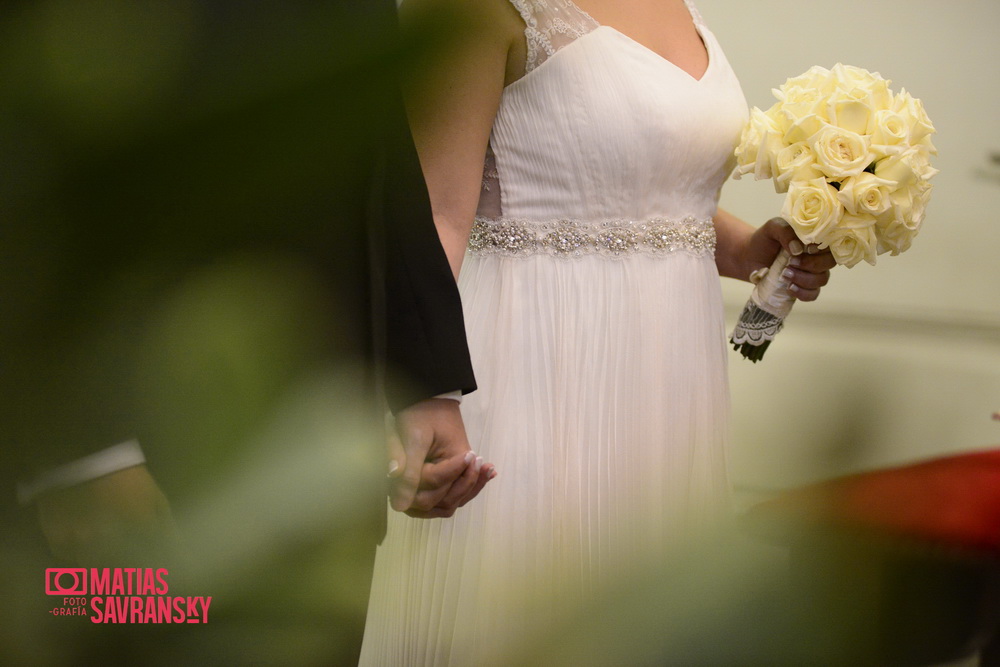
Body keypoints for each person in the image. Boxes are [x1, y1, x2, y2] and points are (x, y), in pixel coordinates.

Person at [359, 0, 836, 664]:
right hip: (535, 366)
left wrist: (753, 247)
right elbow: (434, 214)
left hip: (668, 384)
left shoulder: (682, 6)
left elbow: (657, 191)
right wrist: (414, 386)